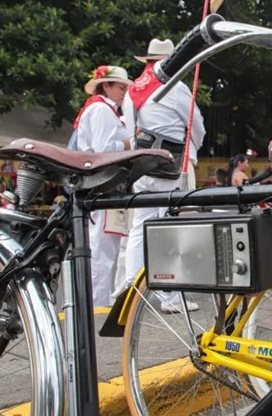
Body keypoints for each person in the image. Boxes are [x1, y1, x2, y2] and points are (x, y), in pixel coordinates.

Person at [122, 39, 206, 314]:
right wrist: (191, 152)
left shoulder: (132, 91)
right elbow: (197, 127)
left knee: (140, 228)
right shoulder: (175, 88)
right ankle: (170, 297)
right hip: (172, 166)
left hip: (141, 164)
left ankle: (133, 290)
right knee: (172, 229)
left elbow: (129, 131)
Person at [72, 65, 134, 307]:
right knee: (102, 251)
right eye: (120, 87)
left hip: (99, 182)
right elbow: (103, 150)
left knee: (102, 248)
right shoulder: (101, 110)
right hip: (103, 182)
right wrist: (130, 145)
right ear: (106, 86)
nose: (124, 92)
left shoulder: (98, 109)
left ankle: (97, 300)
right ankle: (97, 304)